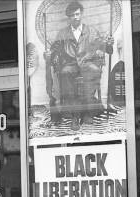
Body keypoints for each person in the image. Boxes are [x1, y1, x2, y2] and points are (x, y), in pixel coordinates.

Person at [44, 1, 113, 130]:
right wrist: (48, 54)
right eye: (72, 15)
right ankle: (75, 116)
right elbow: (54, 51)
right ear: (68, 17)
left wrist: (109, 43)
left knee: (93, 70)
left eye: (77, 14)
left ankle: (87, 112)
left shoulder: (91, 31)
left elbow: (105, 48)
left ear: (81, 14)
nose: (75, 17)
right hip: (70, 64)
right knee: (65, 73)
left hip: (87, 63)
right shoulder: (62, 34)